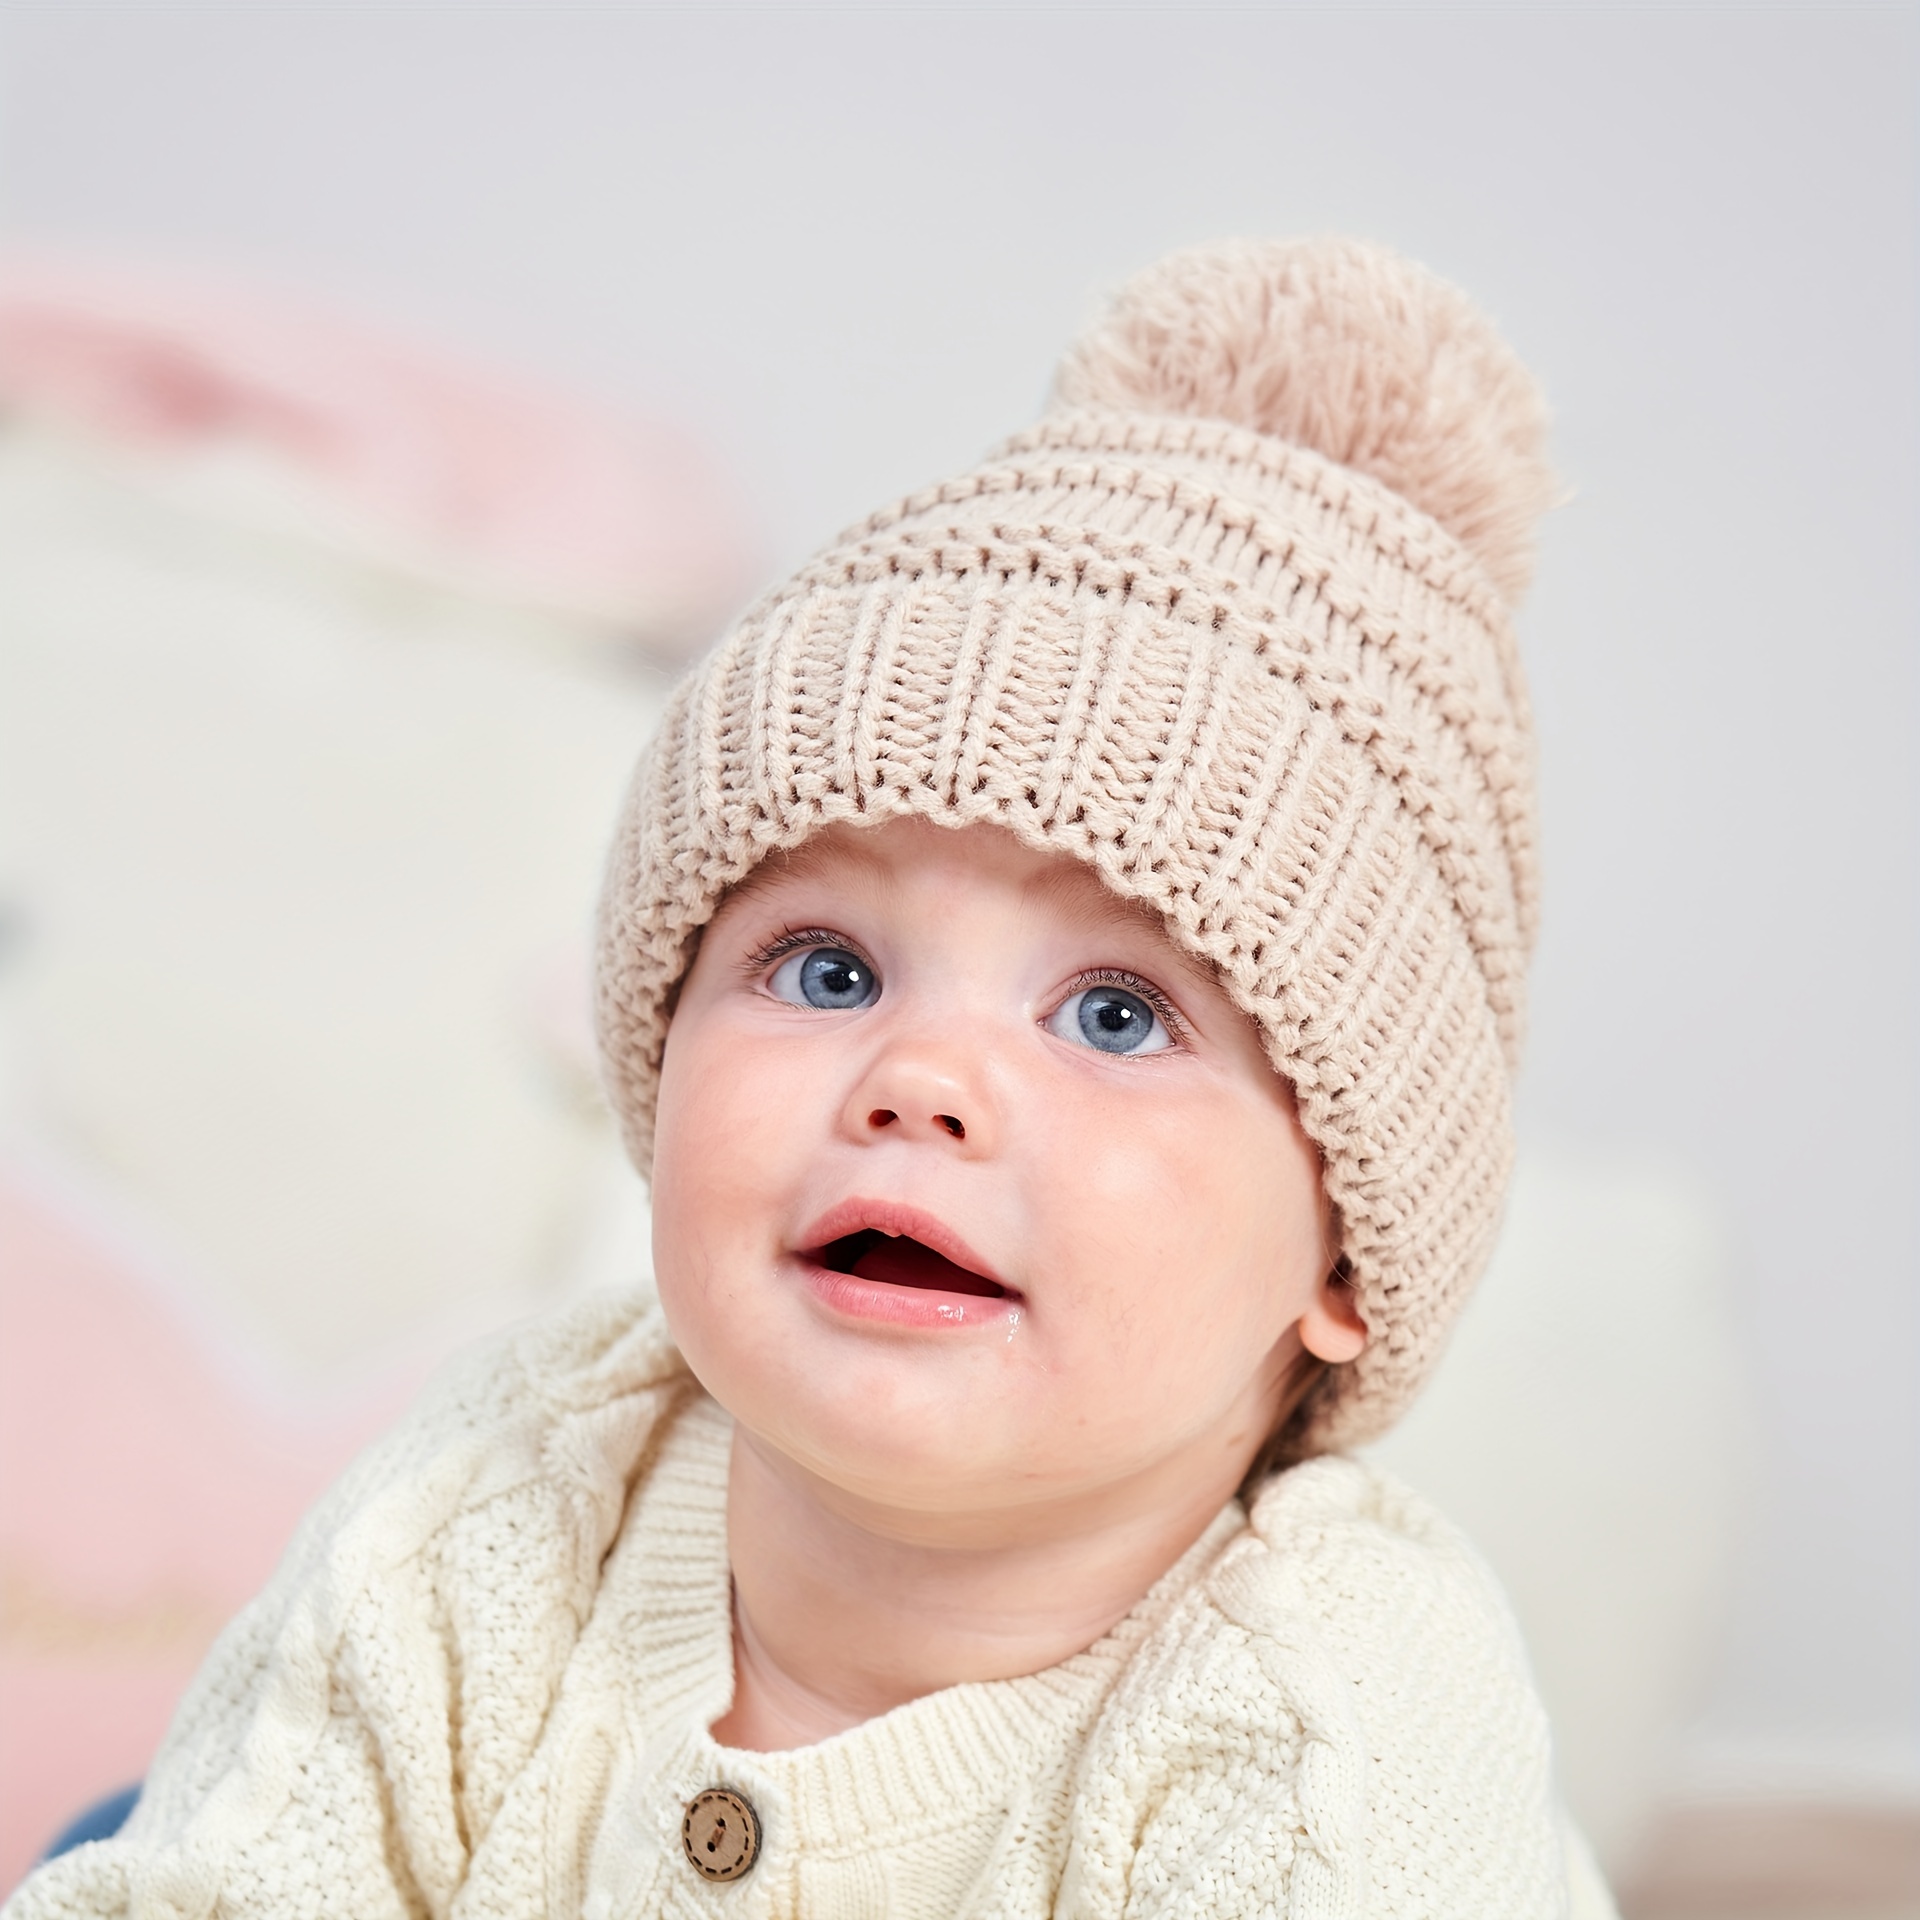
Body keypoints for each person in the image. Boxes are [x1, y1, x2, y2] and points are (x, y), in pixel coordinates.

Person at [6, 239, 1617, 1919]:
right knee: (136, 1834)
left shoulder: (1329, 1738)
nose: (920, 1077)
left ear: (1347, 1250)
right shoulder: (509, 1500)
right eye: (827, 970)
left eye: (1120, 1014)